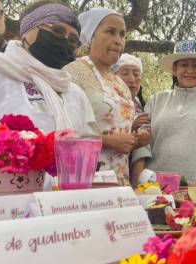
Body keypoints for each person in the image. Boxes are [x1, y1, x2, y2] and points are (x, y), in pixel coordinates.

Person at [0, 0, 98, 195]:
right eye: (57, 31)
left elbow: (88, 154)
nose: (63, 41)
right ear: (27, 31)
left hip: (67, 210)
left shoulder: (75, 93)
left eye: (72, 39)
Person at [131, 40, 196, 185]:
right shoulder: (156, 100)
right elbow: (142, 145)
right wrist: (138, 182)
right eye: (184, 65)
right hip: (156, 188)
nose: (190, 70)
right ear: (174, 69)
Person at [64, 8, 149, 186]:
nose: (118, 41)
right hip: (87, 180)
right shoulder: (74, 72)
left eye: (122, 34)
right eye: (110, 32)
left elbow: (116, 128)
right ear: (91, 35)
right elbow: (61, 133)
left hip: (119, 182)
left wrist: (135, 139)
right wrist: (107, 141)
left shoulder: (119, 82)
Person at [112, 53, 149, 131]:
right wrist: (131, 127)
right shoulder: (107, 104)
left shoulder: (142, 105)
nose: (132, 80)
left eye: (136, 74)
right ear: (113, 77)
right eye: (125, 74)